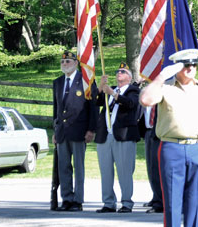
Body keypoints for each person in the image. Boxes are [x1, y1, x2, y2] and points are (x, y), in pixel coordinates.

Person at [140, 48, 198, 227]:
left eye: (193, 65)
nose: (191, 68)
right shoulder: (165, 89)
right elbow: (146, 100)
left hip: (197, 147)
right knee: (173, 203)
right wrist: (162, 76)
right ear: (177, 68)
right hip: (171, 147)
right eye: (186, 65)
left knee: (195, 203)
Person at [52, 50, 97, 211]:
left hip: (79, 131)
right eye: (63, 62)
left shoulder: (86, 81)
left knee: (78, 167)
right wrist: (55, 130)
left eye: (68, 62)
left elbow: (92, 109)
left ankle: (77, 200)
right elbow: (56, 109)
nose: (65, 64)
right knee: (63, 167)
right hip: (62, 132)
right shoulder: (57, 82)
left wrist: (91, 129)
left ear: (76, 64)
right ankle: (66, 198)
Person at [95, 63, 141, 213]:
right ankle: (108, 202)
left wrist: (114, 94)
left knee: (124, 171)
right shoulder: (111, 89)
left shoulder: (133, 90)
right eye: (117, 71)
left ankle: (127, 202)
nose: (119, 73)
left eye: (123, 71)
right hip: (105, 135)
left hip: (124, 136)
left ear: (129, 77)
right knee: (106, 171)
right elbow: (96, 101)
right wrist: (101, 87)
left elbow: (130, 104)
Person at [139, 104, 163, 213]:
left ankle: (160, 203)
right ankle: (156, 197)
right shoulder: (149, 93)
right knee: (151, 168)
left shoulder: (164, 92)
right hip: (148, 131)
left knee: (158, 168)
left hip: (160, 134)